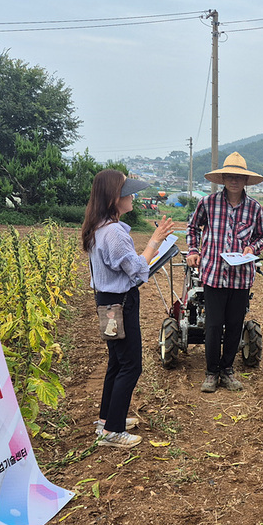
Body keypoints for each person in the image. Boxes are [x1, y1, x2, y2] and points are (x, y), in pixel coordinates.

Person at [82, 170, 176, 449]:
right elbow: (135, 269)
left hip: (107, 301)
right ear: (114, 197)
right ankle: (113, 431)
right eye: (129, 192)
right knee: (131, 365)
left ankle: (107, 420)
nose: (134, 197)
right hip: (121, 302)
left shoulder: (98, 227)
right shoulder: (114, 233)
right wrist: (155, 242)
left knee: (117, 362)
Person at [186, 152, 263, 393]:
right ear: (223, 179)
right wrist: (193, 249)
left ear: (245, 181)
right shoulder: (208, 203)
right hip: (213, 273)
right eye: (230, 176)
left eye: (239, 177)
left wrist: (251, 248)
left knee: (234, 325)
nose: (234, 181)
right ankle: (211, 373)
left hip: (241, 277)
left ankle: (227, 371)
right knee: (213, 324)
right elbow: (193, 227)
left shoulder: (254, 208)